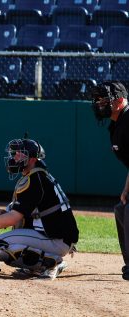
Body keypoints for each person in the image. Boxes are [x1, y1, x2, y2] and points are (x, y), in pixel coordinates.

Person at [0, 138, 79, 279]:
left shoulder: (35, 179)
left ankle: (52, 262)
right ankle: (39, 264)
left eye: (20, 154)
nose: (14, 157)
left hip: (55, 240)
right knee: (8, 237)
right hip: (56, 237)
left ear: (32, 158)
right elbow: (26, 213)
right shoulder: (38, 175)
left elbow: (14, 218)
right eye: (14, 153)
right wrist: (3, 214)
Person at [91, 81, 129, 281]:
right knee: (121, 209)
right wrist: (126, 188)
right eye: (98, 100)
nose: (99, 103)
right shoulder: (117, 124)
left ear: (120, 100)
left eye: (105, 99)